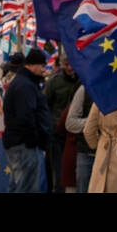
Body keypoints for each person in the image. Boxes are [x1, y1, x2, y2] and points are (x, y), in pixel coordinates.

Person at [2, 48, 51, 193]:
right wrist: (34, 140)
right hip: (24, 144)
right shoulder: (25, 85)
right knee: (27, 186)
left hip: (20, 142)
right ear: (33, 64)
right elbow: (26, 116)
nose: (44, 70)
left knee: (18, 184)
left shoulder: (24, 82)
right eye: (42, 66)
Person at [43, 53, 79, 193]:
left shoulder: (83, 81)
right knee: (59, 177)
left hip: (76, 136)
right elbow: (45, 106)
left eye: (72, 64)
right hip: (57, 135)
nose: (70, 68)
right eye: (66, 65)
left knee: (74, 177)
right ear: (62, 65)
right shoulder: (54, 82)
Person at [63, 83, 97, 193]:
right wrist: (94, 122)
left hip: (110, 155)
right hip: (86, 154)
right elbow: (70, 123)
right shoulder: (85, 90)